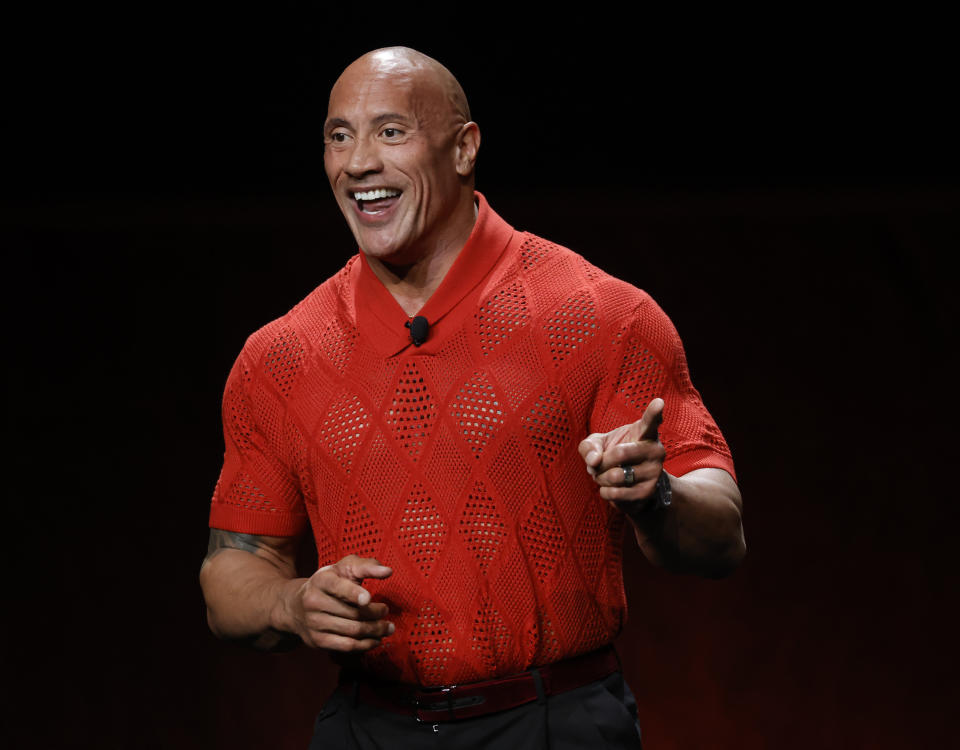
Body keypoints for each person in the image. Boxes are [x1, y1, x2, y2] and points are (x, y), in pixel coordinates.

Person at [199, 46, 745, 749]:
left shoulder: (603, 315)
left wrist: (656, 496)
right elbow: (230, 572)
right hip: (368, 727)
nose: (358, 162)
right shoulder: (279, 356)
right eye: (340, 136)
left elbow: (723, 535)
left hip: (554, 722)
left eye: (391, 132)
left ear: (464, 149)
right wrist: (291, 602)